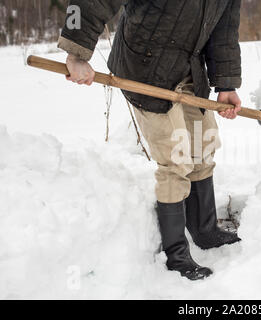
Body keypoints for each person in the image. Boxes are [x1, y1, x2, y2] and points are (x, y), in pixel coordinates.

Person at [58, 0, 243, 280]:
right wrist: (76, 53)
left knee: (203, 145)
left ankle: (204, 230)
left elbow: (224, 29)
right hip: (144, 66)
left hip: (189, 68)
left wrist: (226, 83)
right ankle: (176, 254)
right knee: (176, 157)